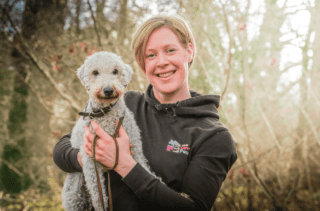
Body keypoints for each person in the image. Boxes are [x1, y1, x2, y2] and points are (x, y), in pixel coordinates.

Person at [53, 14, 237, 211]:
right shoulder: (124, 103)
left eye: (170, 50)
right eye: (151, 55)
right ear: (143, 63)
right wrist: (88, 158)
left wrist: (123, 164)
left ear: (189, 52)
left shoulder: (214, 137)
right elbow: (62, 149)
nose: (162, 62)